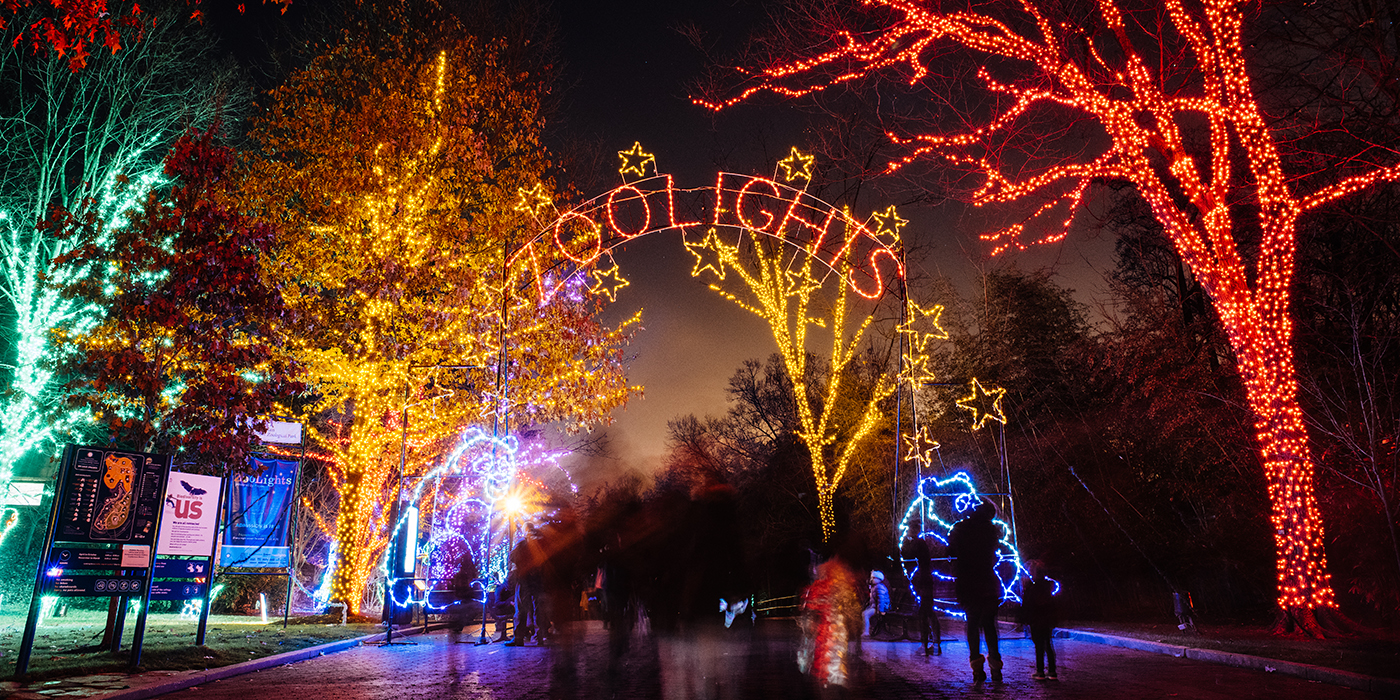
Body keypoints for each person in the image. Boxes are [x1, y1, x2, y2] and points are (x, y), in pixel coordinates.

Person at [948, 500, 1003, 682]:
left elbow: (951, 551)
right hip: (987, 581)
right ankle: (995, 667)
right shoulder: (991, 530)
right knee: (989, 624)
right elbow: (994, 551)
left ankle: (977, 669)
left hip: (968, 582)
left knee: (972, 624)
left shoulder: (960, 529)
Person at [1019, 561, 1059, 680]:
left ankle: (1040, 671)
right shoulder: (1047, 586)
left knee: (1039, 645)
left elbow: (1028, 604)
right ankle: (1052, 671)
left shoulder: (1033, 587)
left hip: (1036, 619)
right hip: (1046, 619)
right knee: (1048, 644)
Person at [909, 538, 941, 655]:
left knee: (925, 613)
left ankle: (926, 645)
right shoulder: (925, 566)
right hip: (925, 584)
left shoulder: (924, 567)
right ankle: (933, 644)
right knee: (928, 613)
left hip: (925, 585)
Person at [862, 570, 891, 637]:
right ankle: (867, 629)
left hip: (883, 607)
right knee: (864, 613)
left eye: (874, 578)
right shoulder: (875, 587)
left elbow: (881, 600)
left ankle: (866, 632)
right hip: (876, 606)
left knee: (865, 614)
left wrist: (881, 610)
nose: (872, 579)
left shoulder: (879, 587)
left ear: (879, 579)